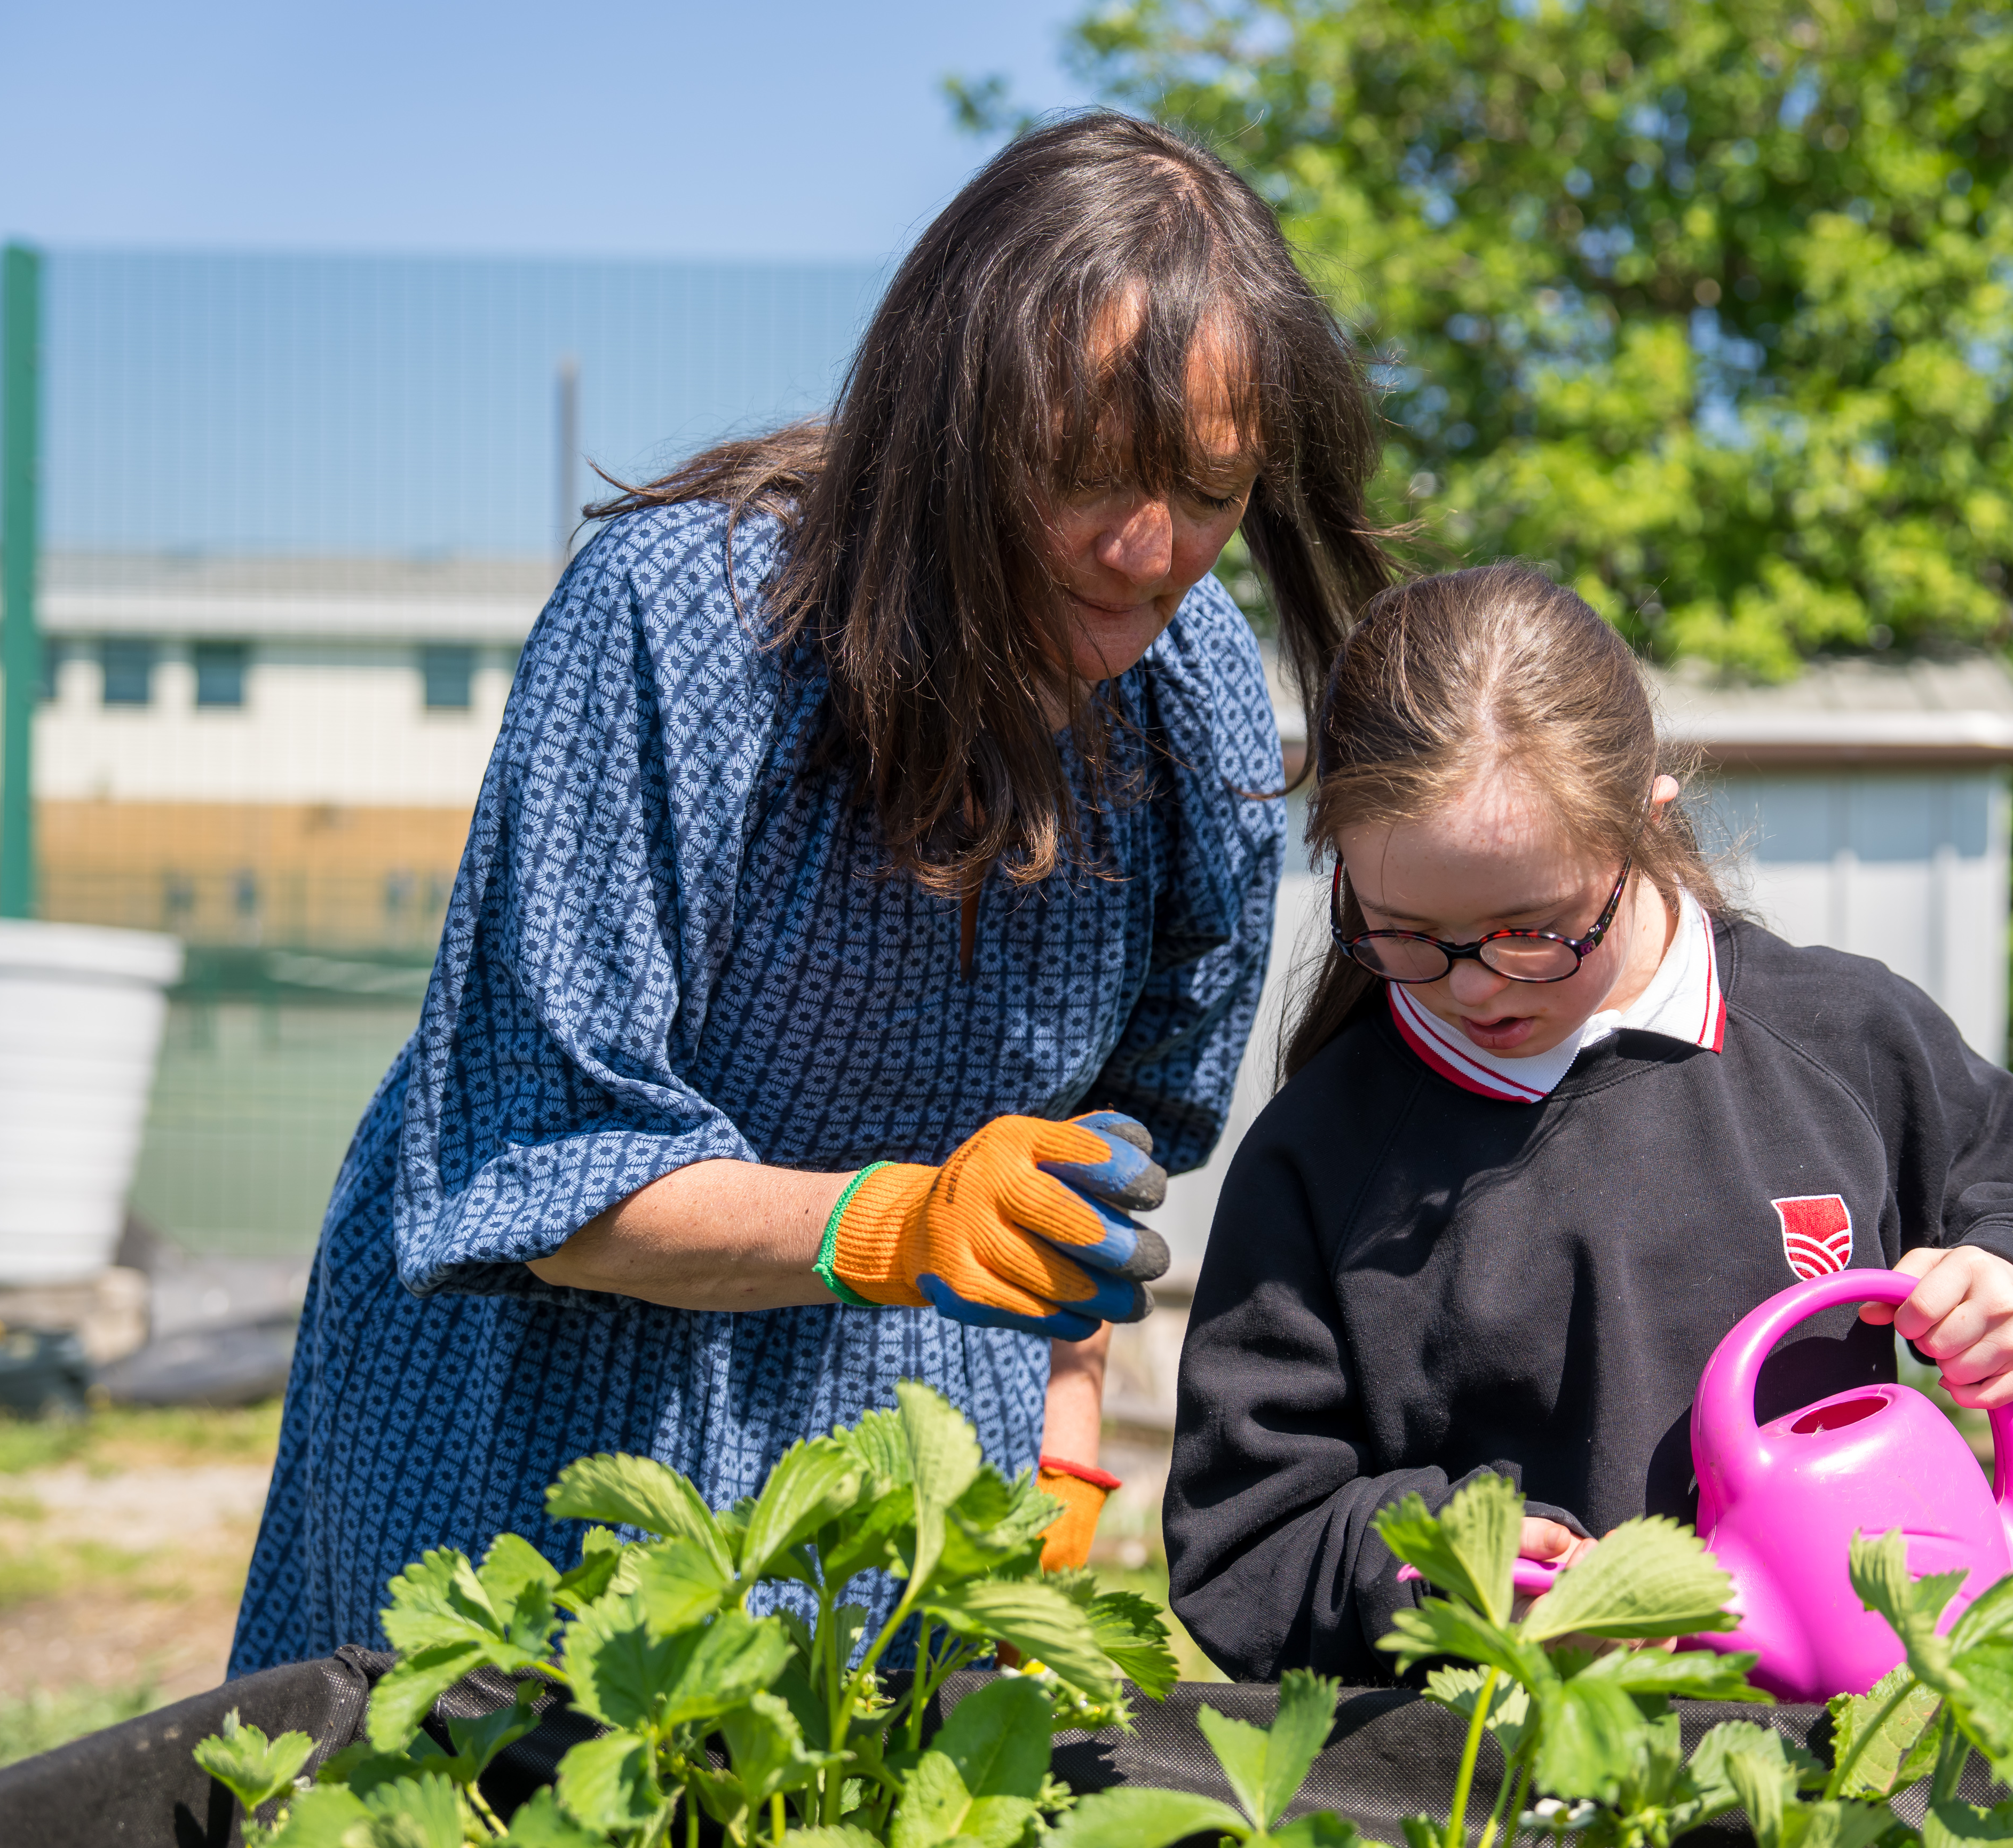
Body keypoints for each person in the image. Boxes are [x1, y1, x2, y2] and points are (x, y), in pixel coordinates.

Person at [227, 112, 1393, 1674]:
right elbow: (541, 1166)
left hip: (907, 1426)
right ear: (951, 415)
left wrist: (1062, 1422)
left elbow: (1105, 1144)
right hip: (534, 1412)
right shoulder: (687, 621)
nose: (1146, 547)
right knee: (495, 1800)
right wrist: (901, 1221)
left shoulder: (1191, 706)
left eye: (1208, 487)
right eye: (1089, 472)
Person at [1162, 564, 2013, 1685]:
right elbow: (1245, 1539)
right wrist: (1455, 1571)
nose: (1473, 983)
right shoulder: (1323, 1151)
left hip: (1837, 1743)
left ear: (1644, 821)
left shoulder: (1839, 1038)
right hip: (1495, 1765)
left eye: (1533, 929)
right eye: (1402, 932)